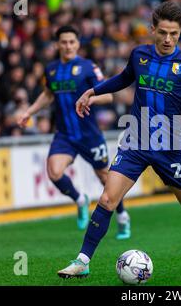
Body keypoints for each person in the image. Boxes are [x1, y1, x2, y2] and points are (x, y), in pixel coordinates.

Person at [57, 2, 181, 279]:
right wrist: (93, 91)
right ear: (152, 30)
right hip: (135, 140)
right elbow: (123, 79)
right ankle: (83, 261)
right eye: (162, 33)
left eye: (174, 33)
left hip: (169, 146)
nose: (168, 39)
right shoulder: (139, 56)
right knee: (108, 198)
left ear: (180, 32)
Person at [17, 25, 131, 239]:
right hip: (65, 134)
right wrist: (29, 112)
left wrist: (89, 97)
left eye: (72, 42)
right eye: (64, 42)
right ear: (57, 44)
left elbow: (108, 96)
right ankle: (80, 199)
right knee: (54, 172)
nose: (68, 46)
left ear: (78, 44)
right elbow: (48, 95)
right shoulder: (51, 69)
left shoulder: (88, 67)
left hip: (89, 134)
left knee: (106, 178)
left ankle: (123, 216)